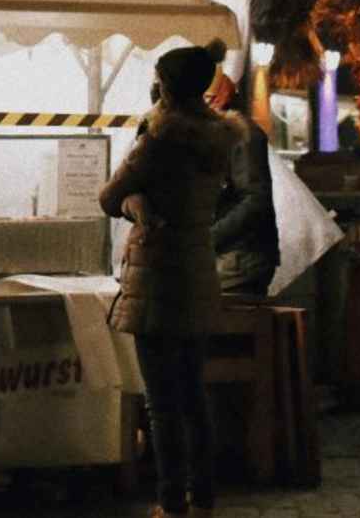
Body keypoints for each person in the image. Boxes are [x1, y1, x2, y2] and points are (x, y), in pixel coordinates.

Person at [100, 46, 238, 518]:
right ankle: (204, 499)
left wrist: (131, 201)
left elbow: (107, 195)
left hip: (157, 272)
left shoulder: (157, 141)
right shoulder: (218, 138)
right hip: (198, 266)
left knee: (162, 402)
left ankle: (170, 501)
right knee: (194, 394)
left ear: (166, 84)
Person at [203, 55, 280, 297]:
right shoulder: (218, 133)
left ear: (215, 99)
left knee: (225, 329)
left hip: (238, 261)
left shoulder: (241, 134)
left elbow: (255, 199)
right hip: (234, 258)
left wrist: (207, 238)